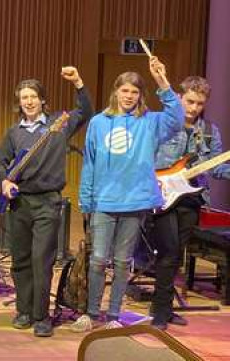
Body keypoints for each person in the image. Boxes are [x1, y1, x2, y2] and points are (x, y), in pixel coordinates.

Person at [73, 56, 183, 332]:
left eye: (135, 92)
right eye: (125, 90)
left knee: (122, 262)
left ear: (140, 95)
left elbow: (177, 118)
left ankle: (113, 315)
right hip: (103, 202)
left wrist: (162, 80)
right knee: (98, 260)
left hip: (135, 203)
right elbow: (90, 163)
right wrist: (86, 199)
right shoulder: (99, 122)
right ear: (115, 92)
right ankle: (91, 312)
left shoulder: (150, 122)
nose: (129, 96)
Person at [0, 66, 92, 337]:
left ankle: (41, 316)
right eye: (24, 97)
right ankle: (23, 311)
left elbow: (85, 111)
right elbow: (0, 163)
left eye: (33, 96)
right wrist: (4, 181)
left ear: (42, 100)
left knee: (42, 259)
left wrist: (78, 82)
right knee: (20, 259)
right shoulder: (14, 133)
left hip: (48, 202)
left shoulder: (58, 125)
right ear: (19, 102)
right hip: (19, 203)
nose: (29, 101)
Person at [149, 76, 230, 330]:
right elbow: (145, 158)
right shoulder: (161, 125)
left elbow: (216, 168)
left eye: (199, 103)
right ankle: (160, 312)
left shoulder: (209, 132)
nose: (194, 108)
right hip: (162, 195)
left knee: (176, 255)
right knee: (169, 251)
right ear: (180, 98)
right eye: (190, 101)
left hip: (192, 198)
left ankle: (163, 307)